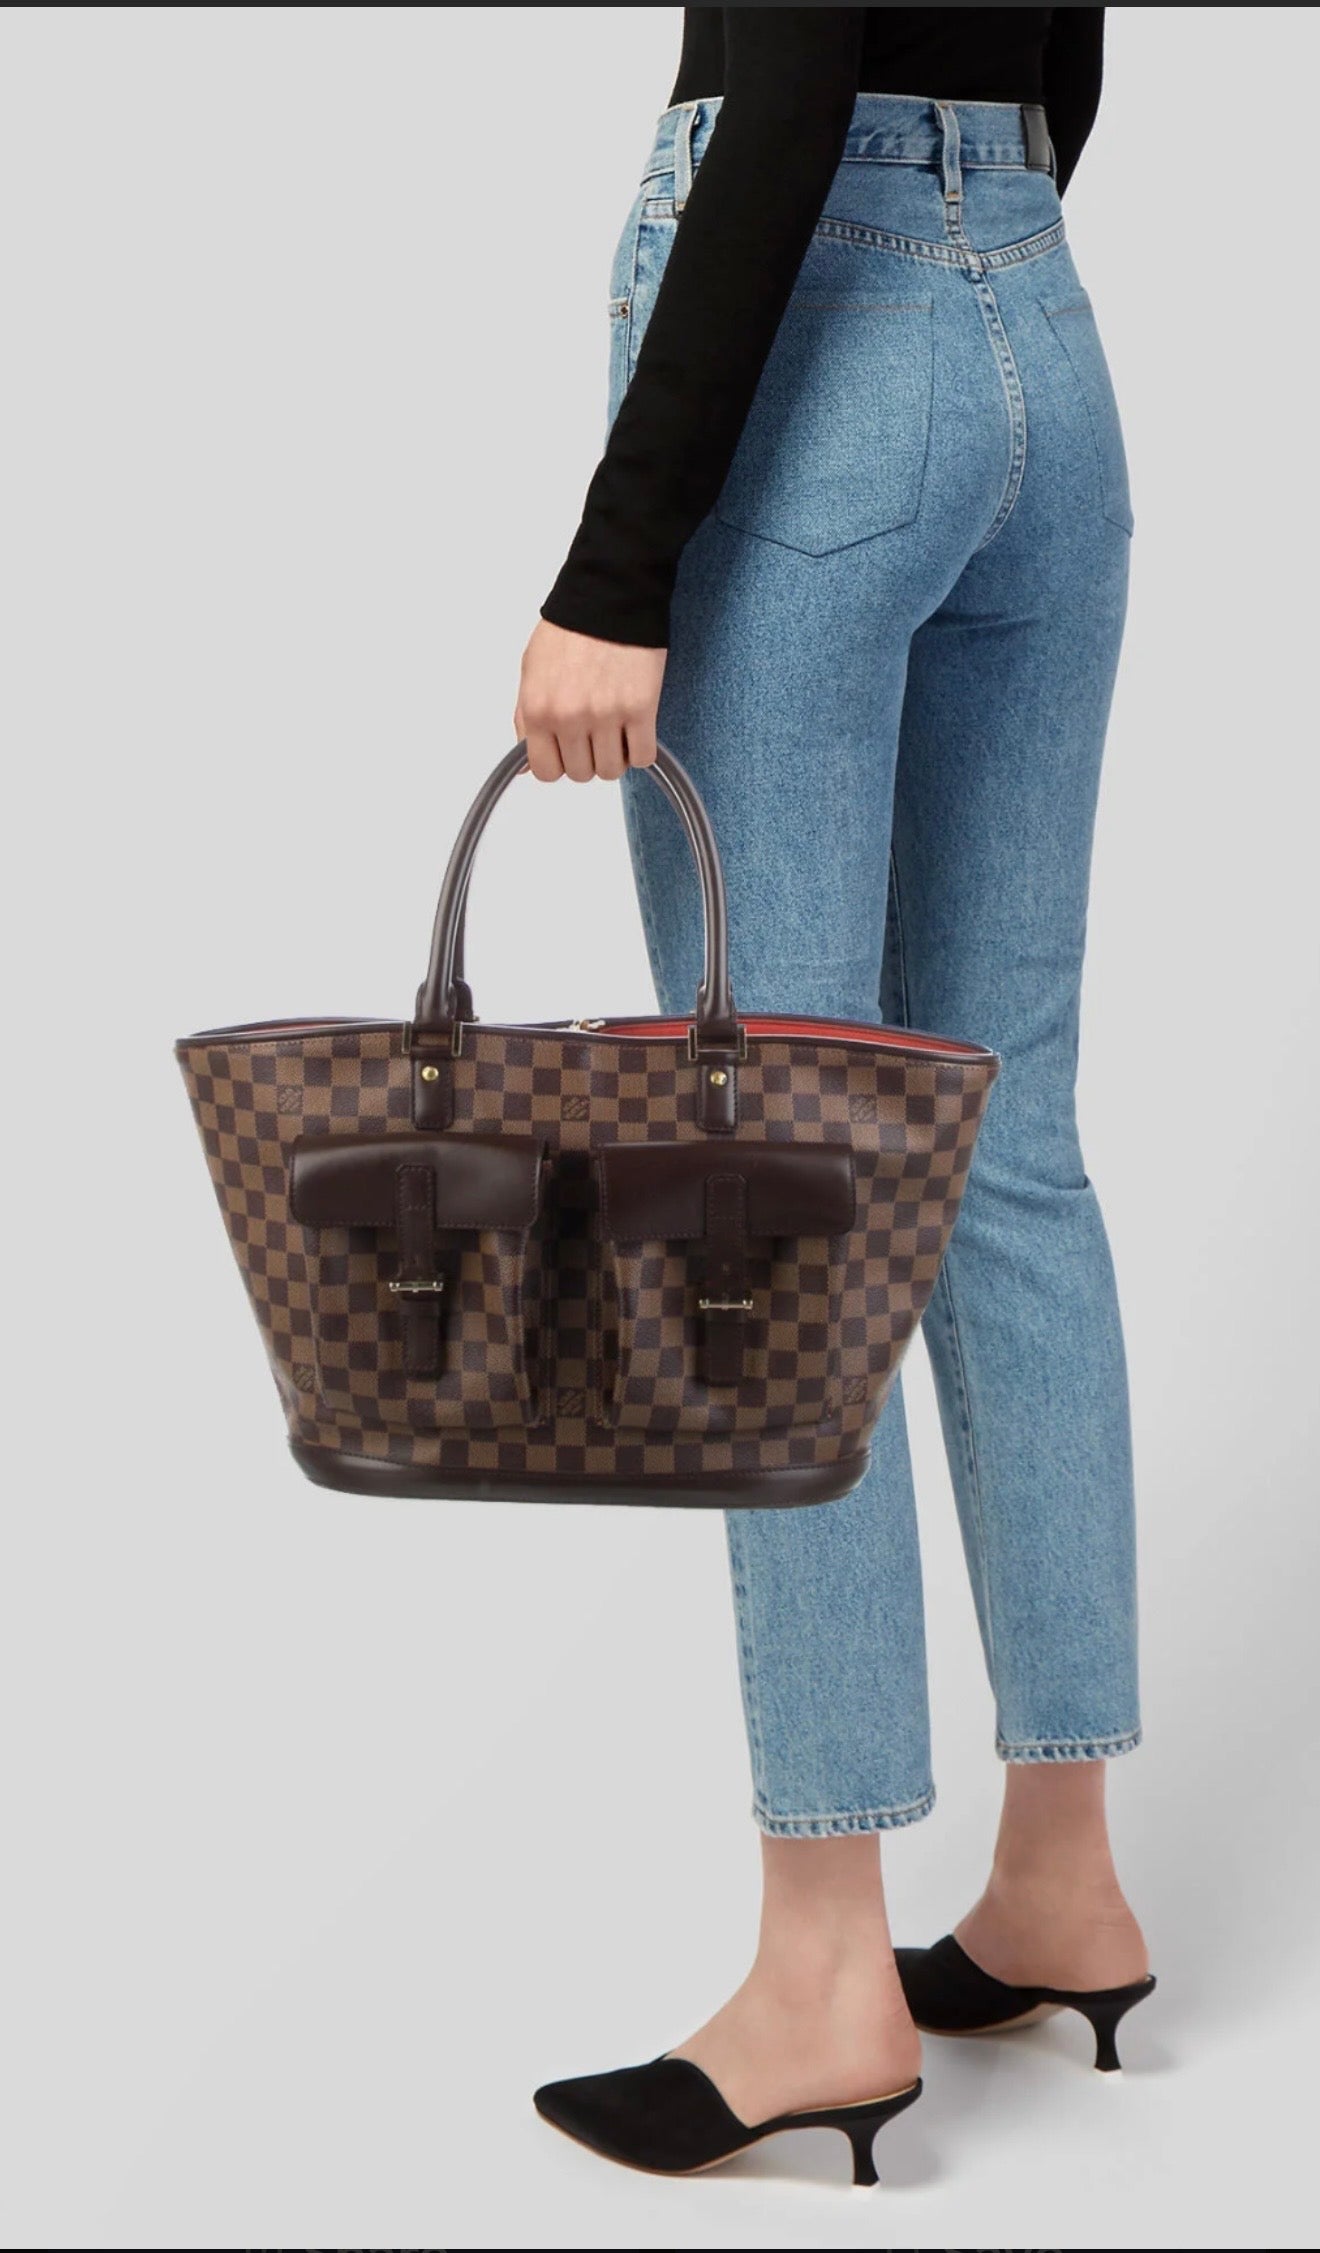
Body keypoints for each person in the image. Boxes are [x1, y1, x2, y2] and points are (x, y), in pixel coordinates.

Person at [519, 7, 1153, 2184]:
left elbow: (790, 68)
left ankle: (821, 1971)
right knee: (1005, 1143)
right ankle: (1063, 1874)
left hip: (822, 337)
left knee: (765, 1172)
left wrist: (616, 571)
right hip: (1041, 335)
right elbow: (1070, 54)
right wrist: (975, 228)